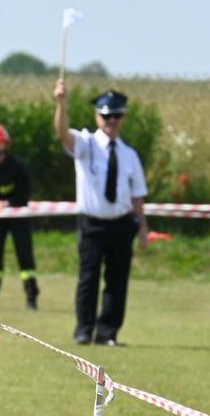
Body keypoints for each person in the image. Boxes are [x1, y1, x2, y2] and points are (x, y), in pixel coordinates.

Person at [53, 81, 148, 346]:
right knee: (88, 278)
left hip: (121, 224)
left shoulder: (130, 154)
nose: (111, 121)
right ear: (98, 116)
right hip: (92, 223)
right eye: (106, 116)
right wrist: (61, 104)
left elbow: (137, 194)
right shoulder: (87, 144)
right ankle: (84, 330)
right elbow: (63, 133)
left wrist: (142, 227)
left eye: (116, 116)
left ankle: (108, 332)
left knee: (117, 281)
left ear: (123, 118)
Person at [0, 122, 39, 310]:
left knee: (25, 256)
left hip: (18, 217)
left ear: (6, 145)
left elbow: (25, 191)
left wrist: (9, 204)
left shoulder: (18, 167)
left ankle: (31, 298)